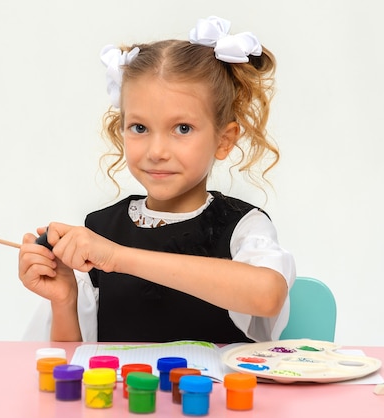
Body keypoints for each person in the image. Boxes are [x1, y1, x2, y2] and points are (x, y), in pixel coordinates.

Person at [19, 16, 295, 344]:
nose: (157, 151)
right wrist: (63, 300)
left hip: (215, 396)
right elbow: (73, 363)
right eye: (139, 128)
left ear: (224, 140)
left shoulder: (242, 226)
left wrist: (119, 257)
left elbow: (267, 295)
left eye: (182, 128)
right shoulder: (100, 228)